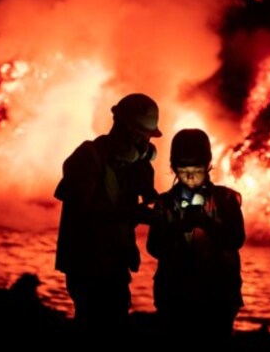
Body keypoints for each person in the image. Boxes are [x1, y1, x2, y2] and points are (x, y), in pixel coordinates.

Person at [54, 93, 161, 336]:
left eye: (147, 137)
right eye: (141, 135)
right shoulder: (87, 158)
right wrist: (132, 213)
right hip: (87, 266)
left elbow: (135, 200)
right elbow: (86, 213)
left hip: (114, 264)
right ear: (122, 127)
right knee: (95, 329)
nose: (145, 143)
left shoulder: (127, 164)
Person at [147, 128, 245, 342]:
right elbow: (154, 247)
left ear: (208, 164)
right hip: (175, 297)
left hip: (218, 297)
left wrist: (205, 223)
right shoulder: (164, 204)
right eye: (183, 168)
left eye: (197, 168)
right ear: (173, 167)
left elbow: (236, 240)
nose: (190, 175)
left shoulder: (227, 199)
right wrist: (180, 227)